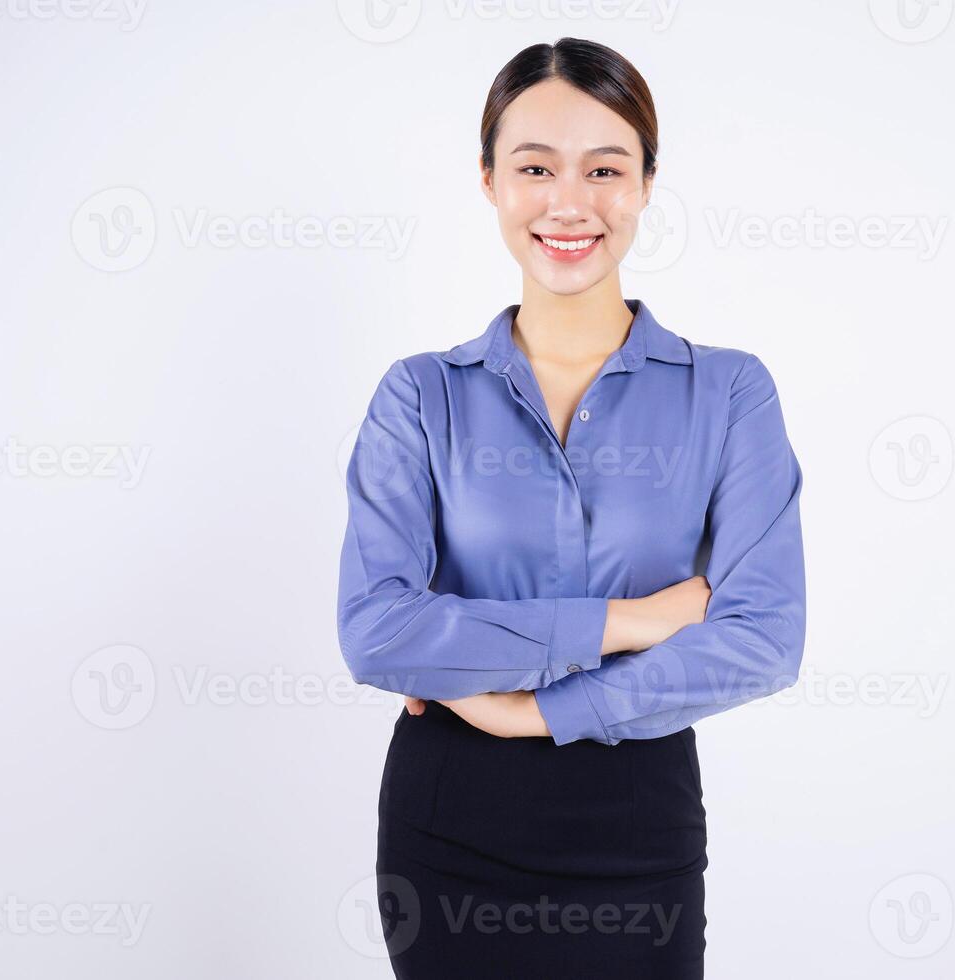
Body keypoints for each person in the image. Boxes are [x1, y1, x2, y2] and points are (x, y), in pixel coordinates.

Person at [336, 36, 806, 978]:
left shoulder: (728, 393)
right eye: (535, 167)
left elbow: (763, 639)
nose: (569, 202)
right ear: (489, 181)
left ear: (644, 183)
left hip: (636, 826)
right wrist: (636, 619)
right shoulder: (421, 396)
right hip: (448, 826)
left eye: (604, 168)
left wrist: (531, 711)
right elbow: (377, 633)